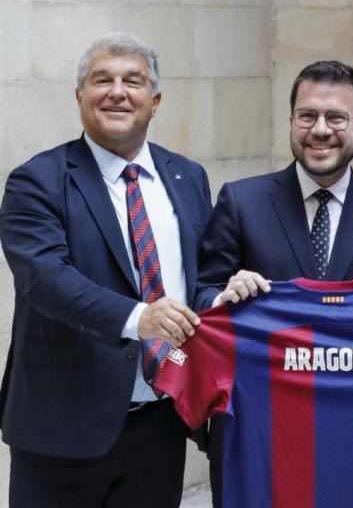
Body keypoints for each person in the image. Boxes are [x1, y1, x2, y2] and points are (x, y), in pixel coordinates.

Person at [0, 33, 212, 507]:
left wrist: (223, 295)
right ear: (80, 97)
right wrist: (141, 319)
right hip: (63, 428)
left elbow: (202, 274)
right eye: (102, 80)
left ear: (154, 101)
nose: (117, 91)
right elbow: (44, 278)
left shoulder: (188, 176)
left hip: (161, 421)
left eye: (132, 81)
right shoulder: (38, 180)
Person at [196, 60, 353, 508]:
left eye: (336, 118)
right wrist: (223, 297)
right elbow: (201, 296)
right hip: (258, 432)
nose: (321, 130)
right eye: (307, 116)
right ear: (291, 121)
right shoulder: (241, 201)